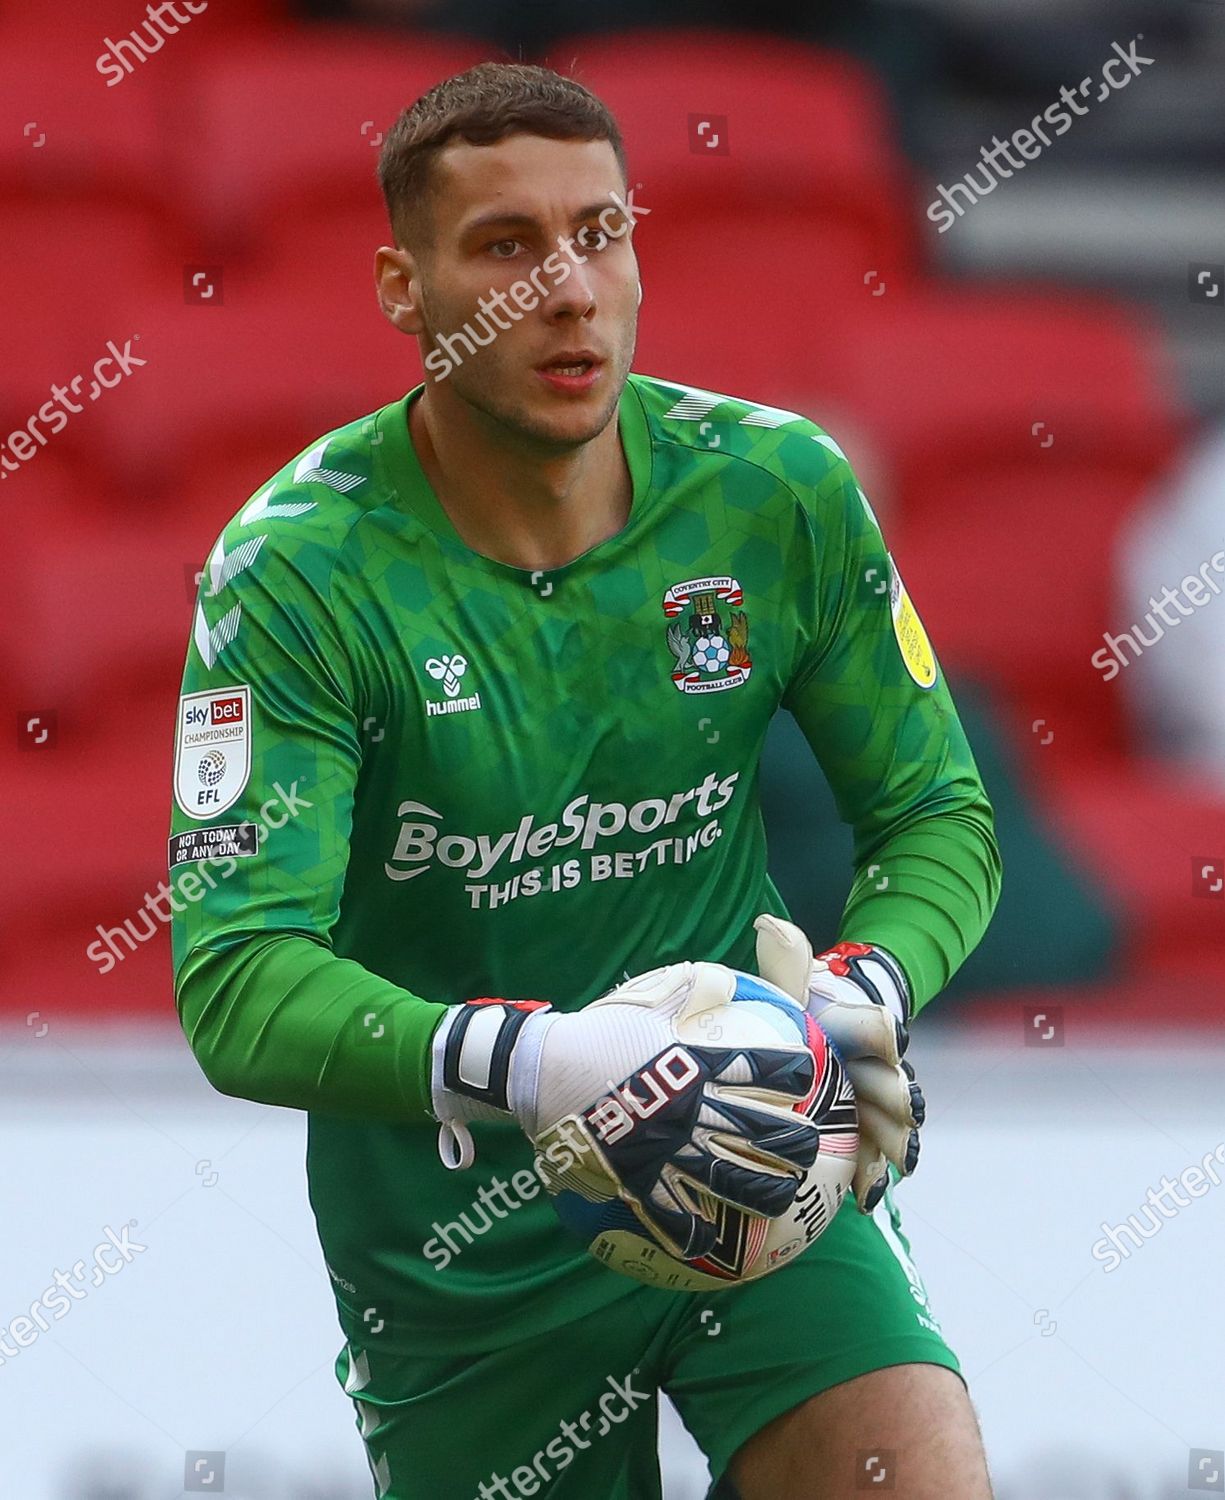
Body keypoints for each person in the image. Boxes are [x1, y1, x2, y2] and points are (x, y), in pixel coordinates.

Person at [169, 62, 1000, 1500]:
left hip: (750, 1154)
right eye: (504, 245)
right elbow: (236, 979)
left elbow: (934, 816)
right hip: (461, 1240)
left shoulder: (772, 491)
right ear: (400, 284)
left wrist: (865, 990)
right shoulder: (298, 573)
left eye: (600, 232)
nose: (567, 287)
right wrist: (540, 1065)